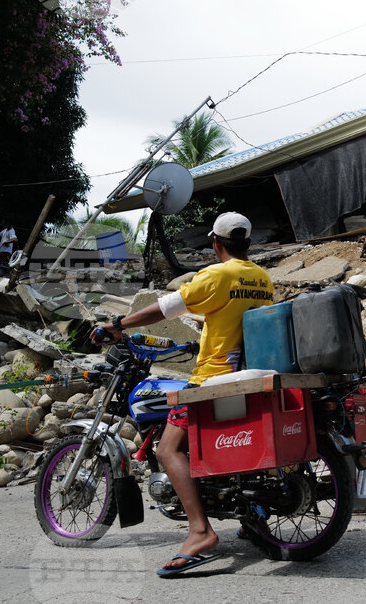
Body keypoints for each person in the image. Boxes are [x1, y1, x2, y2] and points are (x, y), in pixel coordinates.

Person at [91, 212, 272, 577]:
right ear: (247, 243)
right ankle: (250, 514)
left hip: (213, 377)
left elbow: (165, 308)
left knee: (167, 448)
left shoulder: (216, 275)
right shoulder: (261, 277)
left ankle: (200, 531)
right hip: (251, 372)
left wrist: (117, 324)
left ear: (216, 243)